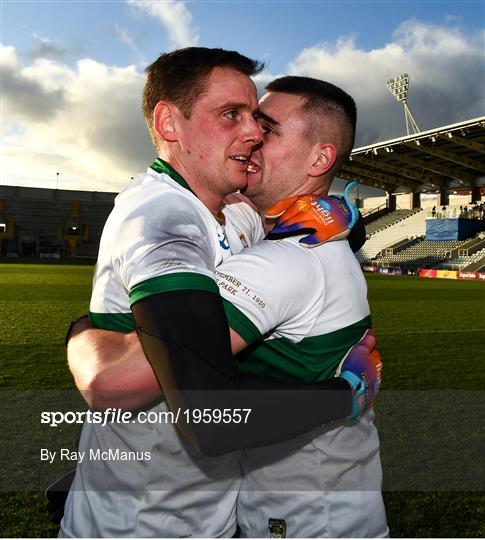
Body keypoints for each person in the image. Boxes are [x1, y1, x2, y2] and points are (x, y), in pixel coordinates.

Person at [59, 48, 380, 538]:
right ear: (170, 123)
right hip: (141, 524)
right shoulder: (164, 220)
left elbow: (294, 223)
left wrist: (346, 215)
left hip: (210, 514)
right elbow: (131, 390)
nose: (251, 133)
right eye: (232, 115)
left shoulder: (238, 211)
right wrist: (82, 333)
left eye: (259, 121)